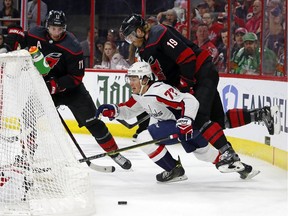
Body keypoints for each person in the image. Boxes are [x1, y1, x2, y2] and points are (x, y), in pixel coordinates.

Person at [119, 14, 279, 173]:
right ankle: (260, 114)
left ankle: (229, 155)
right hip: (196, 78)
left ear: (140, 31)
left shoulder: (159, 33)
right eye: (128, 38)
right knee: (217, 122)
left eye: (132, 35)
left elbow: (186, 57)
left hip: (200, 73)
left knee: (198, 119)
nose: (131, 40)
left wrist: (185, 84)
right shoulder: (144, 49)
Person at [4, 10, 132, 170]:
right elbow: (18, 33)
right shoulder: (36, 34)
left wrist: (55, 85)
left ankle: (114, 153)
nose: (56, 32)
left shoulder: (72, 46)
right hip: (46, 90)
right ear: (47, 26)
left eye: (59, 29)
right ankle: (26, 155)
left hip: (72, 91)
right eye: (53, 28)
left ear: (64, 28)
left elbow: (77, 77)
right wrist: (9, 42)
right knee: (28, 117)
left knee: (93, 121)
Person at [96, 62, 260, 182]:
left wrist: (187, 120)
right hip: (181, 129)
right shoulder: (140, 94)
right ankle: (244, 168)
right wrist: (114, 110)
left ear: (145, 79)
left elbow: (190, 101)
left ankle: (174, 170)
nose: (130, 83)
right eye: (129, 79)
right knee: (204, 154)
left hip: (184, 127)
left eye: (134, 79)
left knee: (144, 138)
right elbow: (129, 109)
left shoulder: (159, 91)